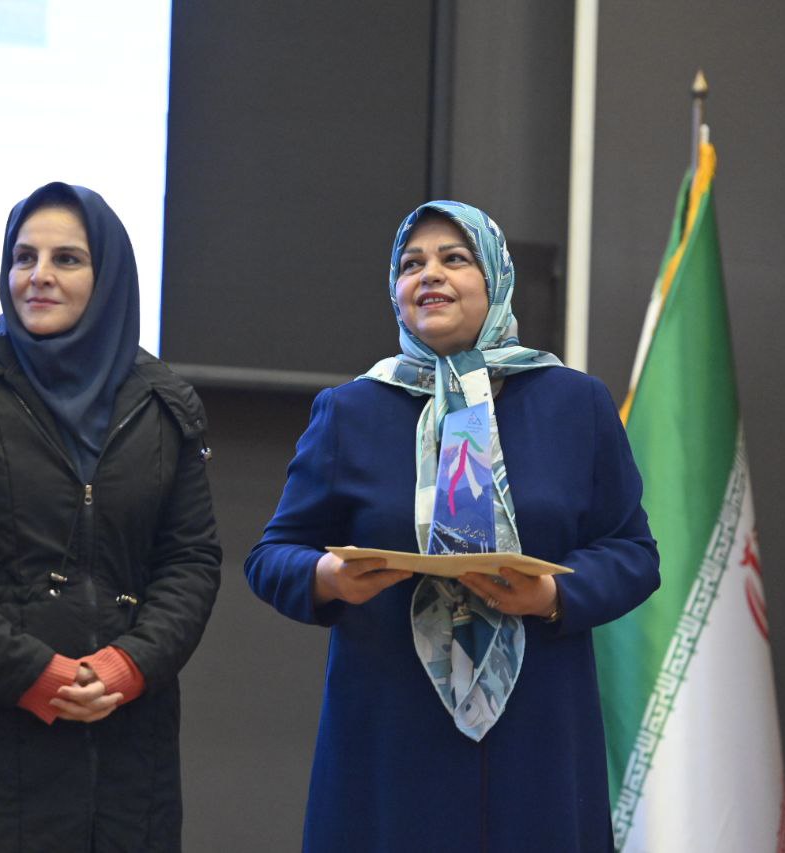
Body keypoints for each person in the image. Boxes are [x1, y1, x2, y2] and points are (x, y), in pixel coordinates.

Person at [245, 200, 660, 852]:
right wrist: (326, 577)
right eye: (411, 264)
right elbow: (272, 555)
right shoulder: (350, 410)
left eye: (454, 258)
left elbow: (633, 552)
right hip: (389, 735)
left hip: (537, 733)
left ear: (495, 278)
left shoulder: (575, 402)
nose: (429, 274)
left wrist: (553, 594)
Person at [0, 182, 222, 852]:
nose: (39, 276)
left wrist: (130, 665)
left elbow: (192, 561)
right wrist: (33, 672)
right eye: (24, 257)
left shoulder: (166, 403)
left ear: (108, 275)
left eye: (67, 259)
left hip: (120, 750)